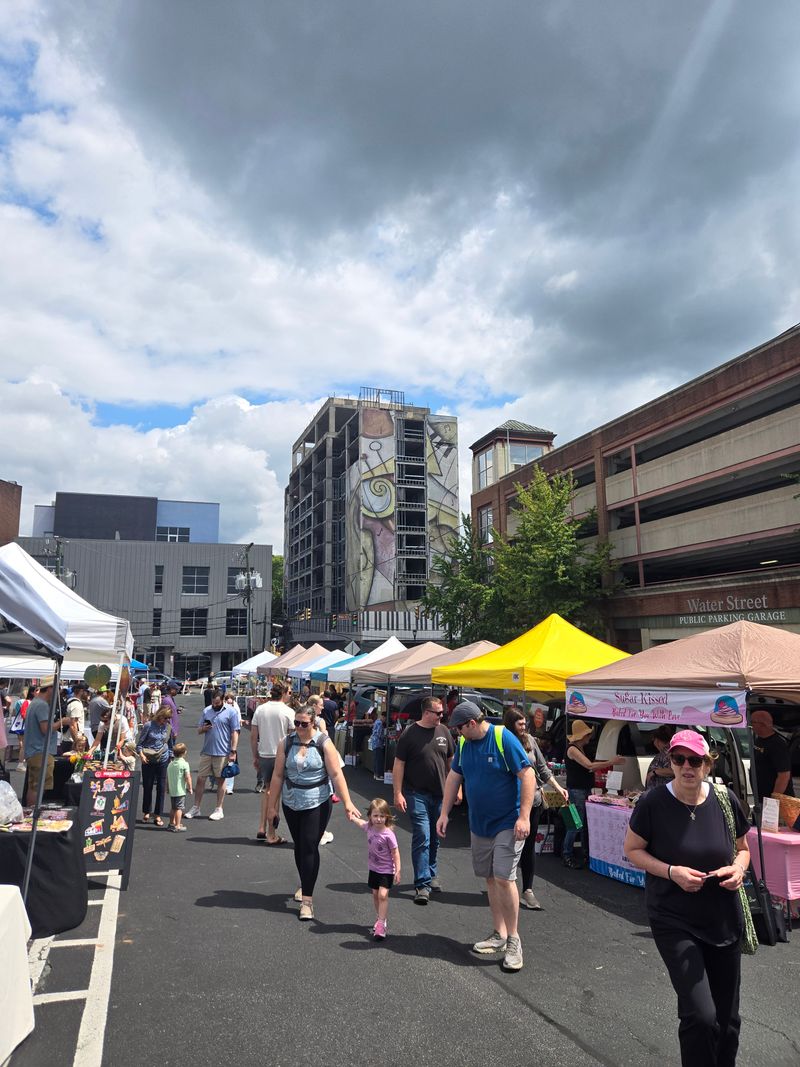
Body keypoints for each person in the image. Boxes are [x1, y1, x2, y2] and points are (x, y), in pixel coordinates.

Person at [624, 729, 750, 1067]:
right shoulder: (653, 802)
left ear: (707, 765)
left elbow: (743, 850)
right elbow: (632, 850)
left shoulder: (725, 800)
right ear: (671, 762)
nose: (686, 766)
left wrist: (738, 870)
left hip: (723, 917)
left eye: (695, 760)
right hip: (674, 918)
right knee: (700, 1016)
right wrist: (670, 872)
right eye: (679, 759)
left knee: (728, 1020)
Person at [436, 701, 535, 972]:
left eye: (459, 728)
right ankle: (499, 933)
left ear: (471, 723)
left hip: (507, 822)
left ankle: (514, 939)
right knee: (490, 877)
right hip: (480, 824)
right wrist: (444, 813)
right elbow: (453, 778)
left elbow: (527, 776)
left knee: (504, 876)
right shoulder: (466, 745)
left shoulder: (504, 738)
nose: (456, 733)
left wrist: (524, 817)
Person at [266, 705, 361, 920]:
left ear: (314, 722)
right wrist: (272, 807)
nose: (299, 727)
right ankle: (304, 881)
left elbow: (336, 774)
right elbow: (278, 776)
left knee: (309, 846)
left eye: (303, 724)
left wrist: (347, 802)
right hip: (291, 801)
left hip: (317, 801)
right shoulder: (286, 742)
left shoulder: (323, 743)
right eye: (296, 723)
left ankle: (307, 900)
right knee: (299, 846)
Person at [503, 708, 568, 909]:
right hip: (510, 802)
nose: (524, 727)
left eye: (525, 723)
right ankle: (505, 884)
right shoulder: (502, 741)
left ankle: (527, 890)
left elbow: (542, 768)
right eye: (520, 724)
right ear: (510, 724)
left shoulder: (530, 740)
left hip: (534, 800)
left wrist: (558, 788)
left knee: (529, 846)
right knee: (508, 844)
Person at [393, 695, 455, 904]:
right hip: (415, 792)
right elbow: (399, 764)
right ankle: (422, 884)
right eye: (438, 713)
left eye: (442, 713)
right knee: (422, 835)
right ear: (426, 713)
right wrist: (397, 792)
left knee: (436, 836)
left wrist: (458, 788)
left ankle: (431, 872)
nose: (441, 716)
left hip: (440, 794)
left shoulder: (444, 731)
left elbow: (451, 762)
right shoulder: (410, 733)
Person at [563, 719, 626, 868]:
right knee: (576, 824)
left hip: (582, 789)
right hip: (576, 790)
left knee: (582, 824)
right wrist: (612, 761)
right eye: (587, 734)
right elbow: (589, 766)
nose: (589, 737)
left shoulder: (579, 748)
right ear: (582, 736)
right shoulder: (572, 749)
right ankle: (567, 854)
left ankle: (584, 853)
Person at [348, 798, 401, 940]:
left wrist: (398, 870)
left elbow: (395, 852)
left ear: (387, 817)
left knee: (383, 895)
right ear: (370, 816)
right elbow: (361, 823)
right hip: (373, 868)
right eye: (375, 816)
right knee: (375, 894)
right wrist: (353, 818)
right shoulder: (369, 827)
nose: (378, 819)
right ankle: (379, 917)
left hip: (386, 869)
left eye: (382, 816)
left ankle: (381, 924)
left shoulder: (389, 834)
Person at [186, 692, 240, 821]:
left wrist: (233, 750)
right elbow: (199, 730)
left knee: (221, 780)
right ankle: (196, 807)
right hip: (207, 751)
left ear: (222, 700)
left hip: (223, 752)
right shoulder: (207, 711)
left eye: (217, 703)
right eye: (213, 703)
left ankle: (218, 809)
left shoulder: (231, 712)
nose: (215, 705)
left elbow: (235, 731)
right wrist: (204, 728)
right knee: (200, 779)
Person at [251, 683, 294, 841]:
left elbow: (254, 736)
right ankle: (271, 833)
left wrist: (255, 756)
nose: (290, 694)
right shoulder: (288, 712)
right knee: (275, 793)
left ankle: (262, 826)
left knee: (267, 790)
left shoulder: (260, 709)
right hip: (281, 755)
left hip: (264, 754)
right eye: (288, 692)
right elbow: (291, 738)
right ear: (283, 693)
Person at [23, 678, 72, 806]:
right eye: (57, 688)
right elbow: (45, 729)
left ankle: (31, 812)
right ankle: (32, 813)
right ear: (50, 688)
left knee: (35, 786)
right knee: (38, 787)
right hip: (40, 751)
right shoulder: (42, 705)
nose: (58, 691)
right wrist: (63, 722)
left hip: (36, 750)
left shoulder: (36, 703)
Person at [136, 706, 174, 826]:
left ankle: (158, 814)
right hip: (148, 759)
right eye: (165, 718)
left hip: (163, 758)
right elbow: (139, 744)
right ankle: (147, 811)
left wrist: (171, 757)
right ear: (160, 715)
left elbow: (171, 744)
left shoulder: (167, 727)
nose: (167, 720)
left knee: (161, 788)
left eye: (169, 718)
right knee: (147, 786)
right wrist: (141, 755)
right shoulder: (148, 725)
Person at [750, 709, 794, 799]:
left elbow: (784, 775)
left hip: (776, 801)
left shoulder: (777, 744)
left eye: (752, 722)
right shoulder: (759, 740)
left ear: (762, 724)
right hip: (761, 797)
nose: (750, 725)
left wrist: (773, 800)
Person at [167, 742, 193, 832]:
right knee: (179, 808)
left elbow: (167, 778)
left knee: (173, 808)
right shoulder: (184, 764)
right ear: (184, 752)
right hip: (180, 791)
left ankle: (171, 823)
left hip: (172, 790)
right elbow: (187, 777)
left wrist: (167, 788)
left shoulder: (170, 764)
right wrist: (190, 787)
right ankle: (178, 825)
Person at [645, 726, 676, 790]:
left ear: (657, 740)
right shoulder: (667, 752)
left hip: (663, 791)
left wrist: (654, 772)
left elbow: (674, 770)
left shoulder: (668, 753)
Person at [369, 710, 387, 781]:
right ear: (383, 717)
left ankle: (375, 774)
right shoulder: (380, 723)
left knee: (376, 759)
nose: (385, 720)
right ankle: (378, 775)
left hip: (374, 742)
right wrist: (384, 736)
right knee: (379, 760)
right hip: (378, 743)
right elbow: (379, 734)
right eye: (385, 718)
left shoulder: (376, 721)